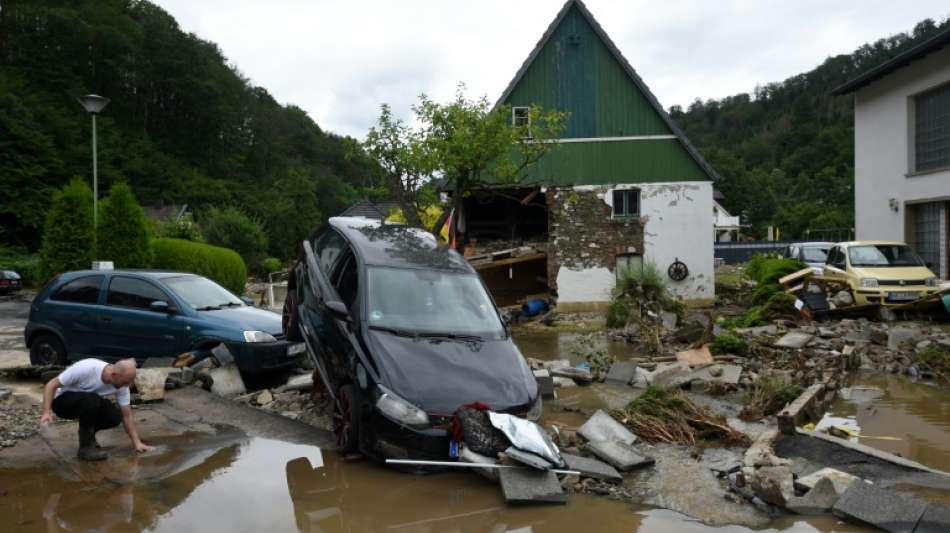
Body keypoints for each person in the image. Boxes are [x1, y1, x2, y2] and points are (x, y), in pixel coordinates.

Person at [39, 358, 155, 461]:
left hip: (88, 403)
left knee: (115, 416)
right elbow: (51, 384)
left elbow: (127, 415)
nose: (127, 385)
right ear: (114, 374)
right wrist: (46, 412)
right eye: (125, 382)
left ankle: (88, 436)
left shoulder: (122, 385)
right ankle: (85, 449)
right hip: (63, 403)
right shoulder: (86, 368)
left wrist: (137, 443)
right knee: (92, 399)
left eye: (129, 382)